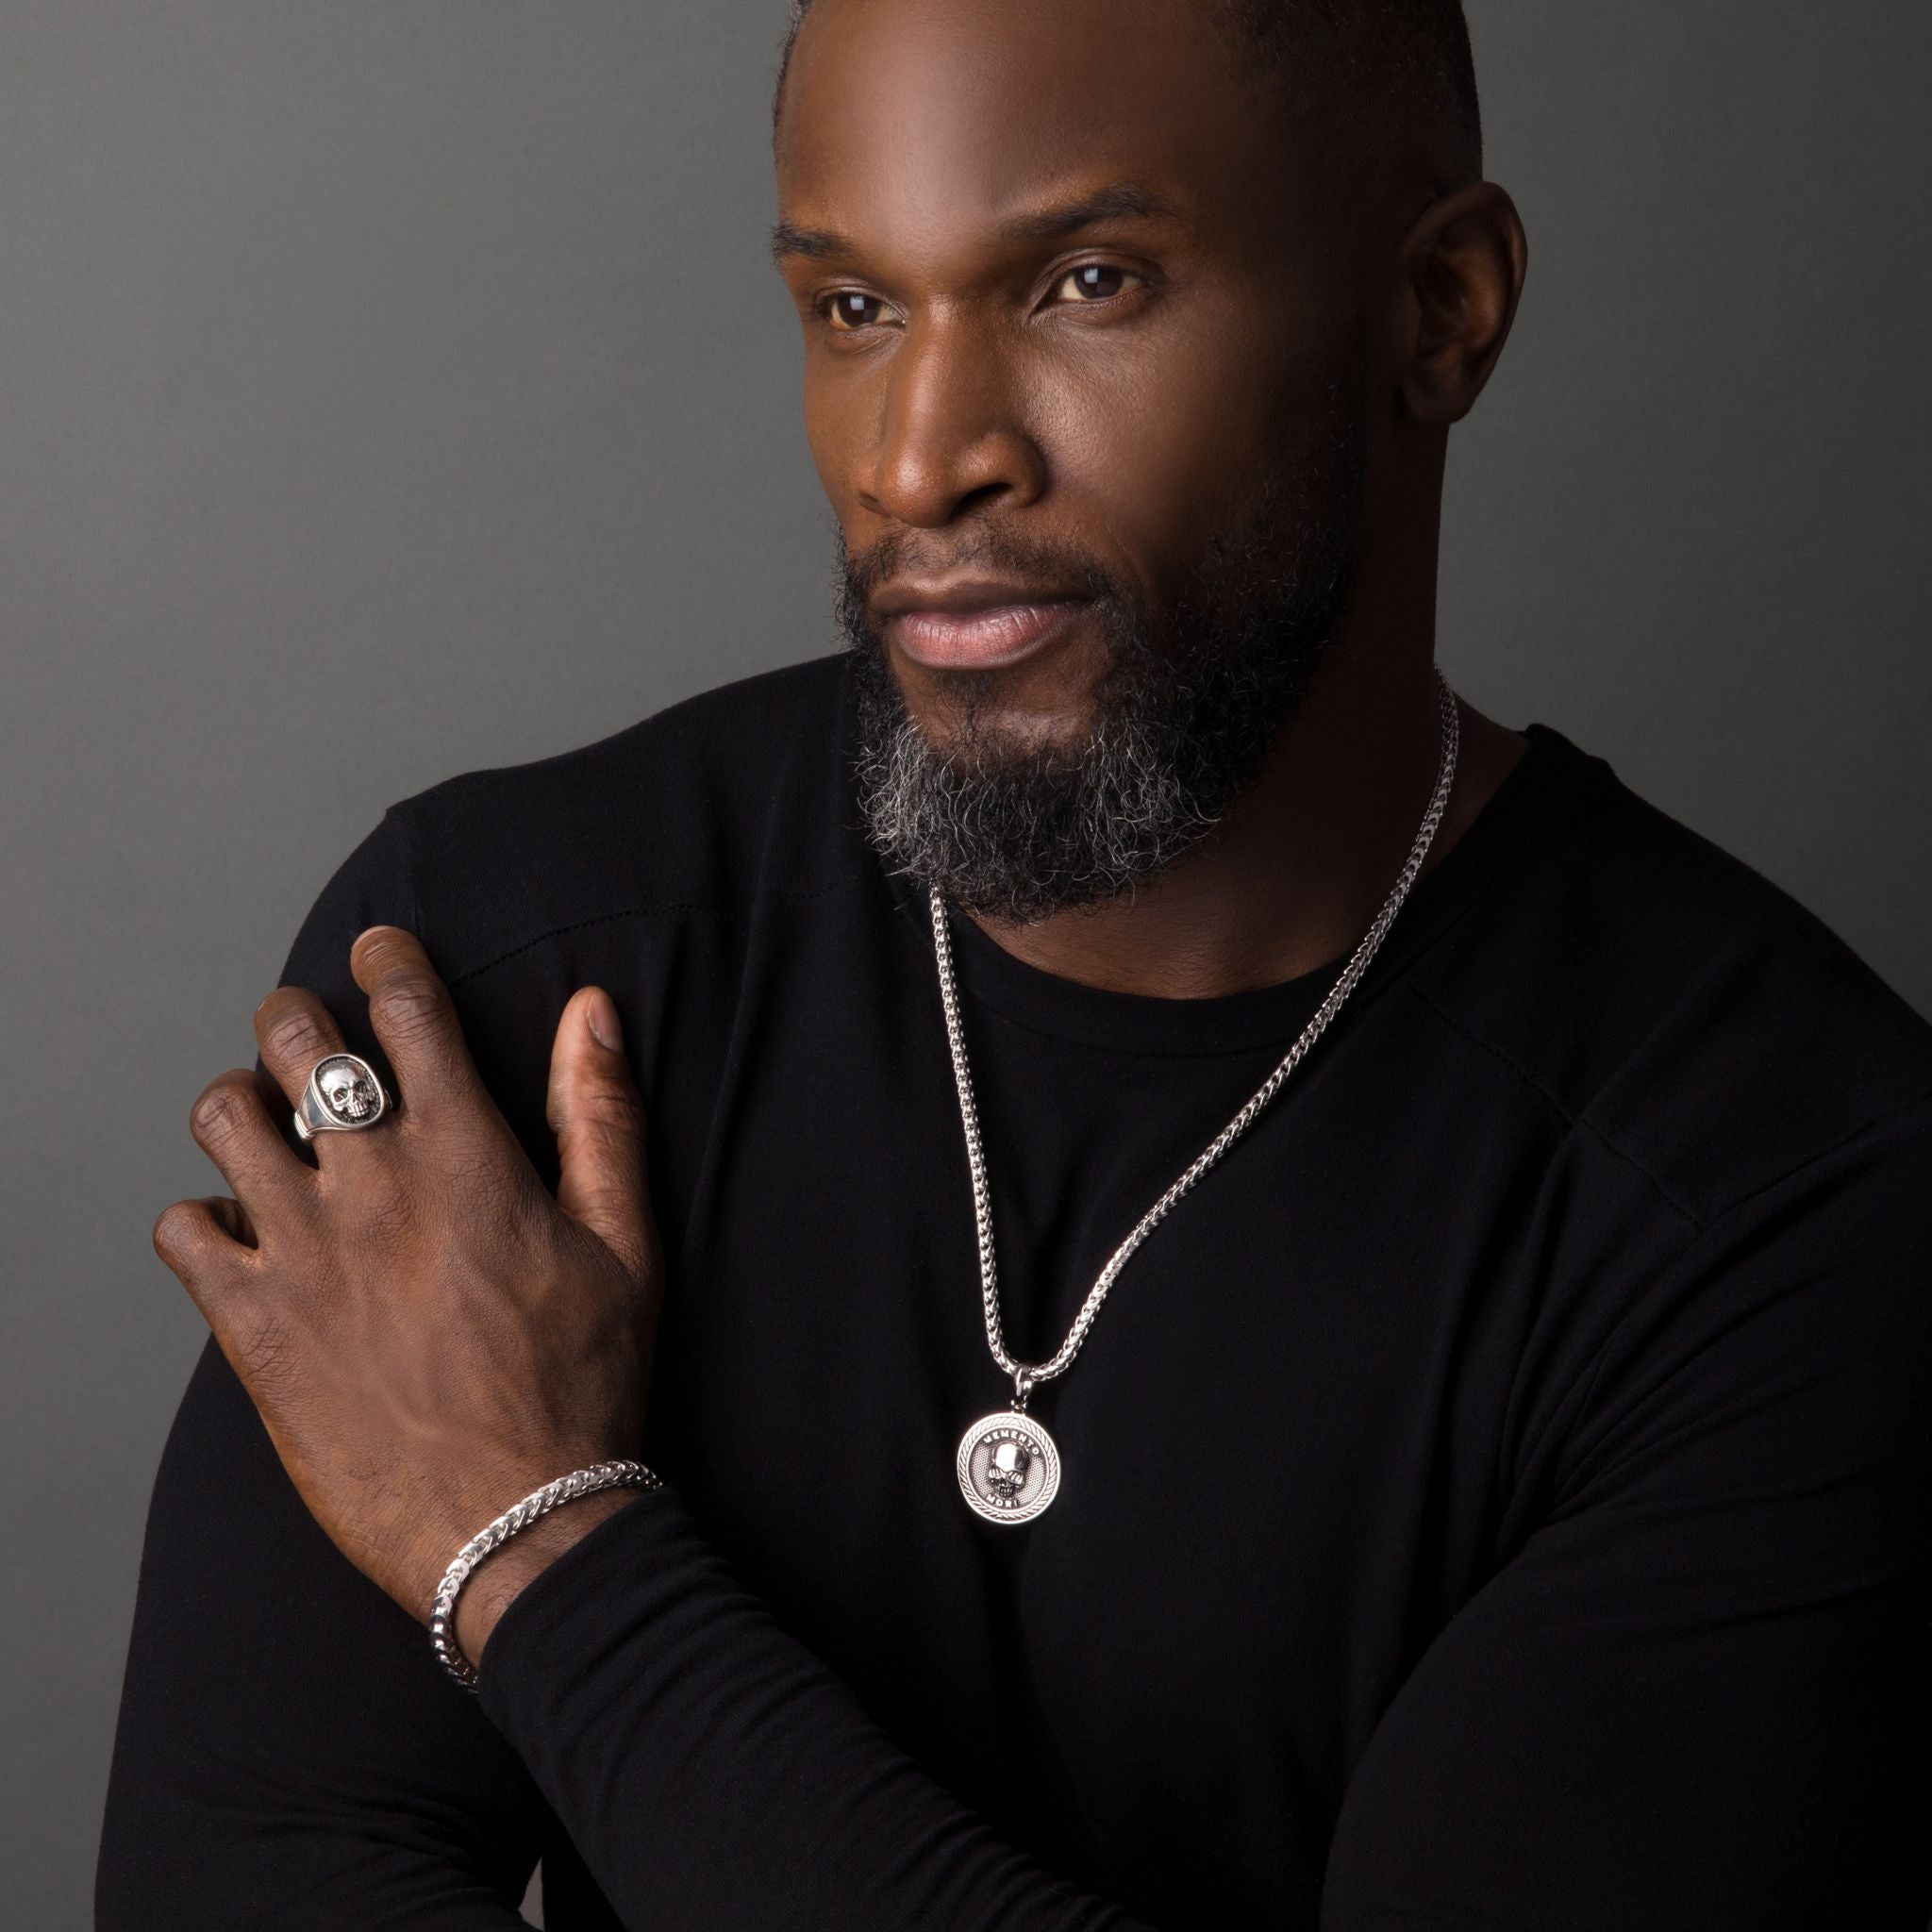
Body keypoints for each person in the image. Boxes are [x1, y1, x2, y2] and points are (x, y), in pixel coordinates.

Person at [96, 0, 1932, 1925]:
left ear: (1438, 309)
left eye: (1084, 281)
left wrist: (536, 1553)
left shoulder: (1794, 1204)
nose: (918, 460)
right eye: (853, 307)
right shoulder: (510, 968)